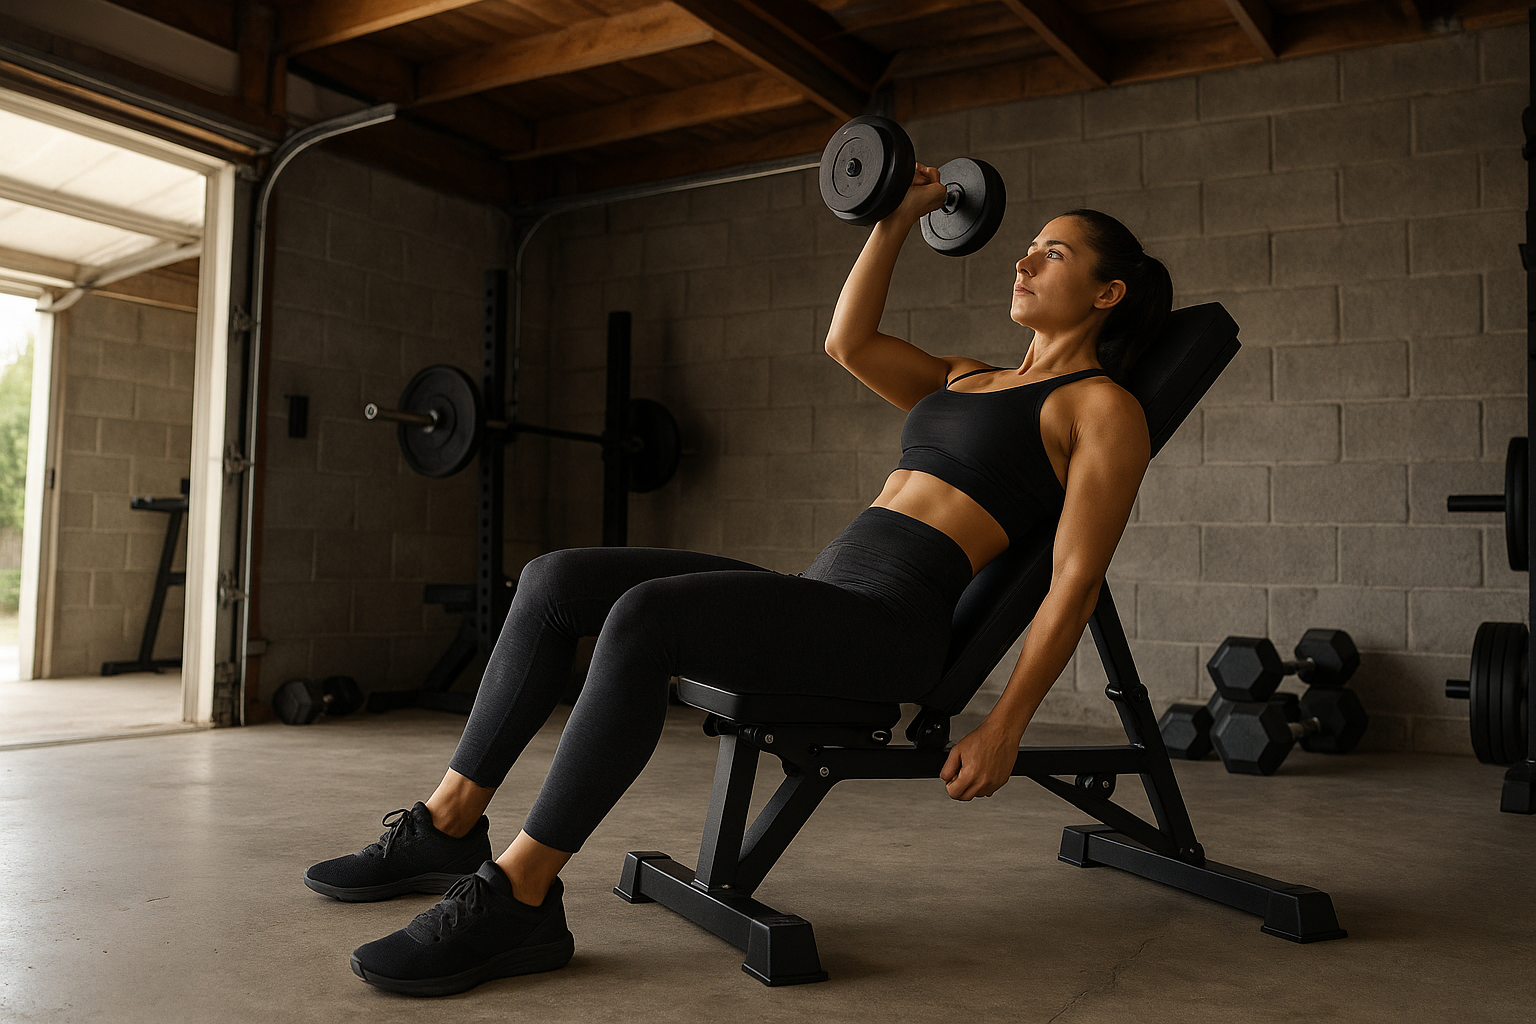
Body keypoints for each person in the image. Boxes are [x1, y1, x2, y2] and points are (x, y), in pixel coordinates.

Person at [303, 165, 1172, 997]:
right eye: (1026, 246)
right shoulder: (967, 375)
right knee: (554, 578)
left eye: (1052, 253)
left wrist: (1005, 726)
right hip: (822, 593)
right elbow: (848, 341)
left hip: (885, 629)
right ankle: (450, 824)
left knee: (644, 617)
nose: (1022, 260)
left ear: (1107, 294)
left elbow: (1073, 579)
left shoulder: (1101, 408)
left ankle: (522, 896)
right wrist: (897, 219)